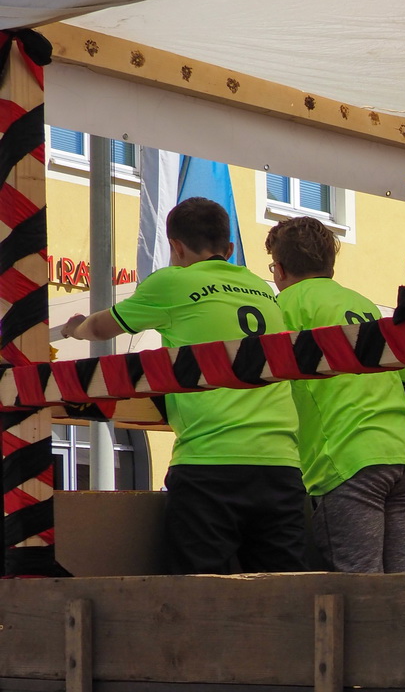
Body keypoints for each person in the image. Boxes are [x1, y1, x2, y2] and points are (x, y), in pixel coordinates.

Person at [62, 197, 306, 574]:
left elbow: (100, 329)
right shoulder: (262, 289)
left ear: (175, 246)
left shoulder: (173, 283)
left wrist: (72, 327)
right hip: (281, 463)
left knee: (198, 591)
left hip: (210, 460)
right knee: (285, 590)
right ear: (229, 249)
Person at [263, 218, 405, 573]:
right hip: (400, 450)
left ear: (280, 269)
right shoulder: (362, 303)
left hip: (346, 455)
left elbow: (262, 379)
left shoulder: (285, 306)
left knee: (360, 589)